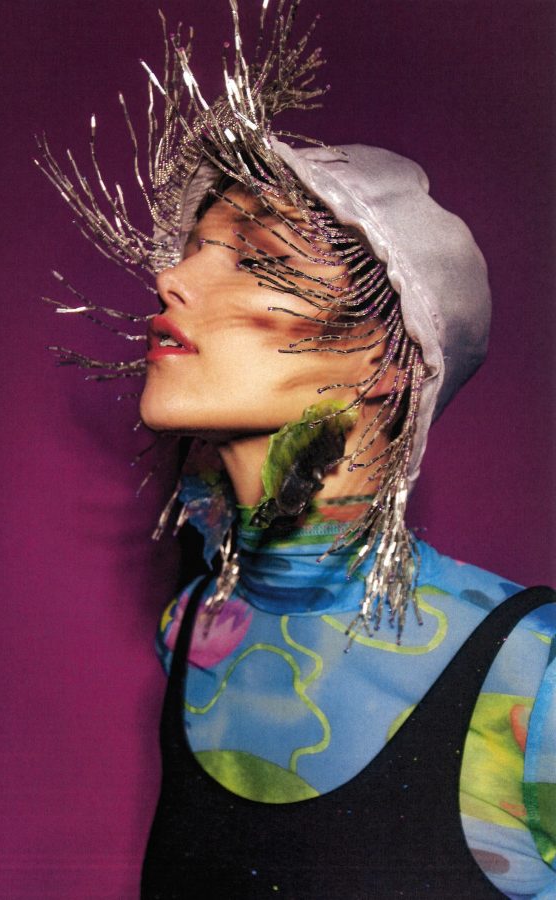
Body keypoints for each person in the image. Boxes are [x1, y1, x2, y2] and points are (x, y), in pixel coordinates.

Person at [37, 2, 555, 896]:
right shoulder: (191, 634)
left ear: (389, 358)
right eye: (193, 249)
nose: (171, 277)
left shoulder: (534, 673)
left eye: (259, 260)